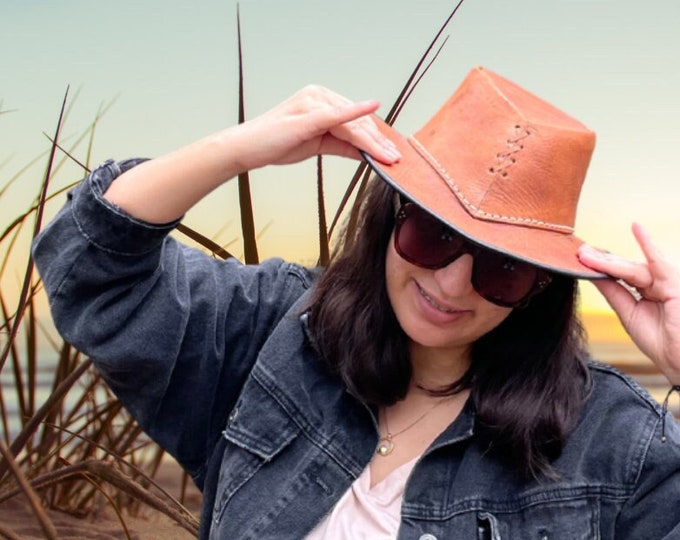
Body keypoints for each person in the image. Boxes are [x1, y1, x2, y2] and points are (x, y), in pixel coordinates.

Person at [33, 66, 680, 539]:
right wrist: (234, 149)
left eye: (502, 270)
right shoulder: (277, 331)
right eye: (432, 235)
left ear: (542, 287)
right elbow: (90, 272)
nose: (452, 285)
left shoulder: (615, 442)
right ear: (387, 217)